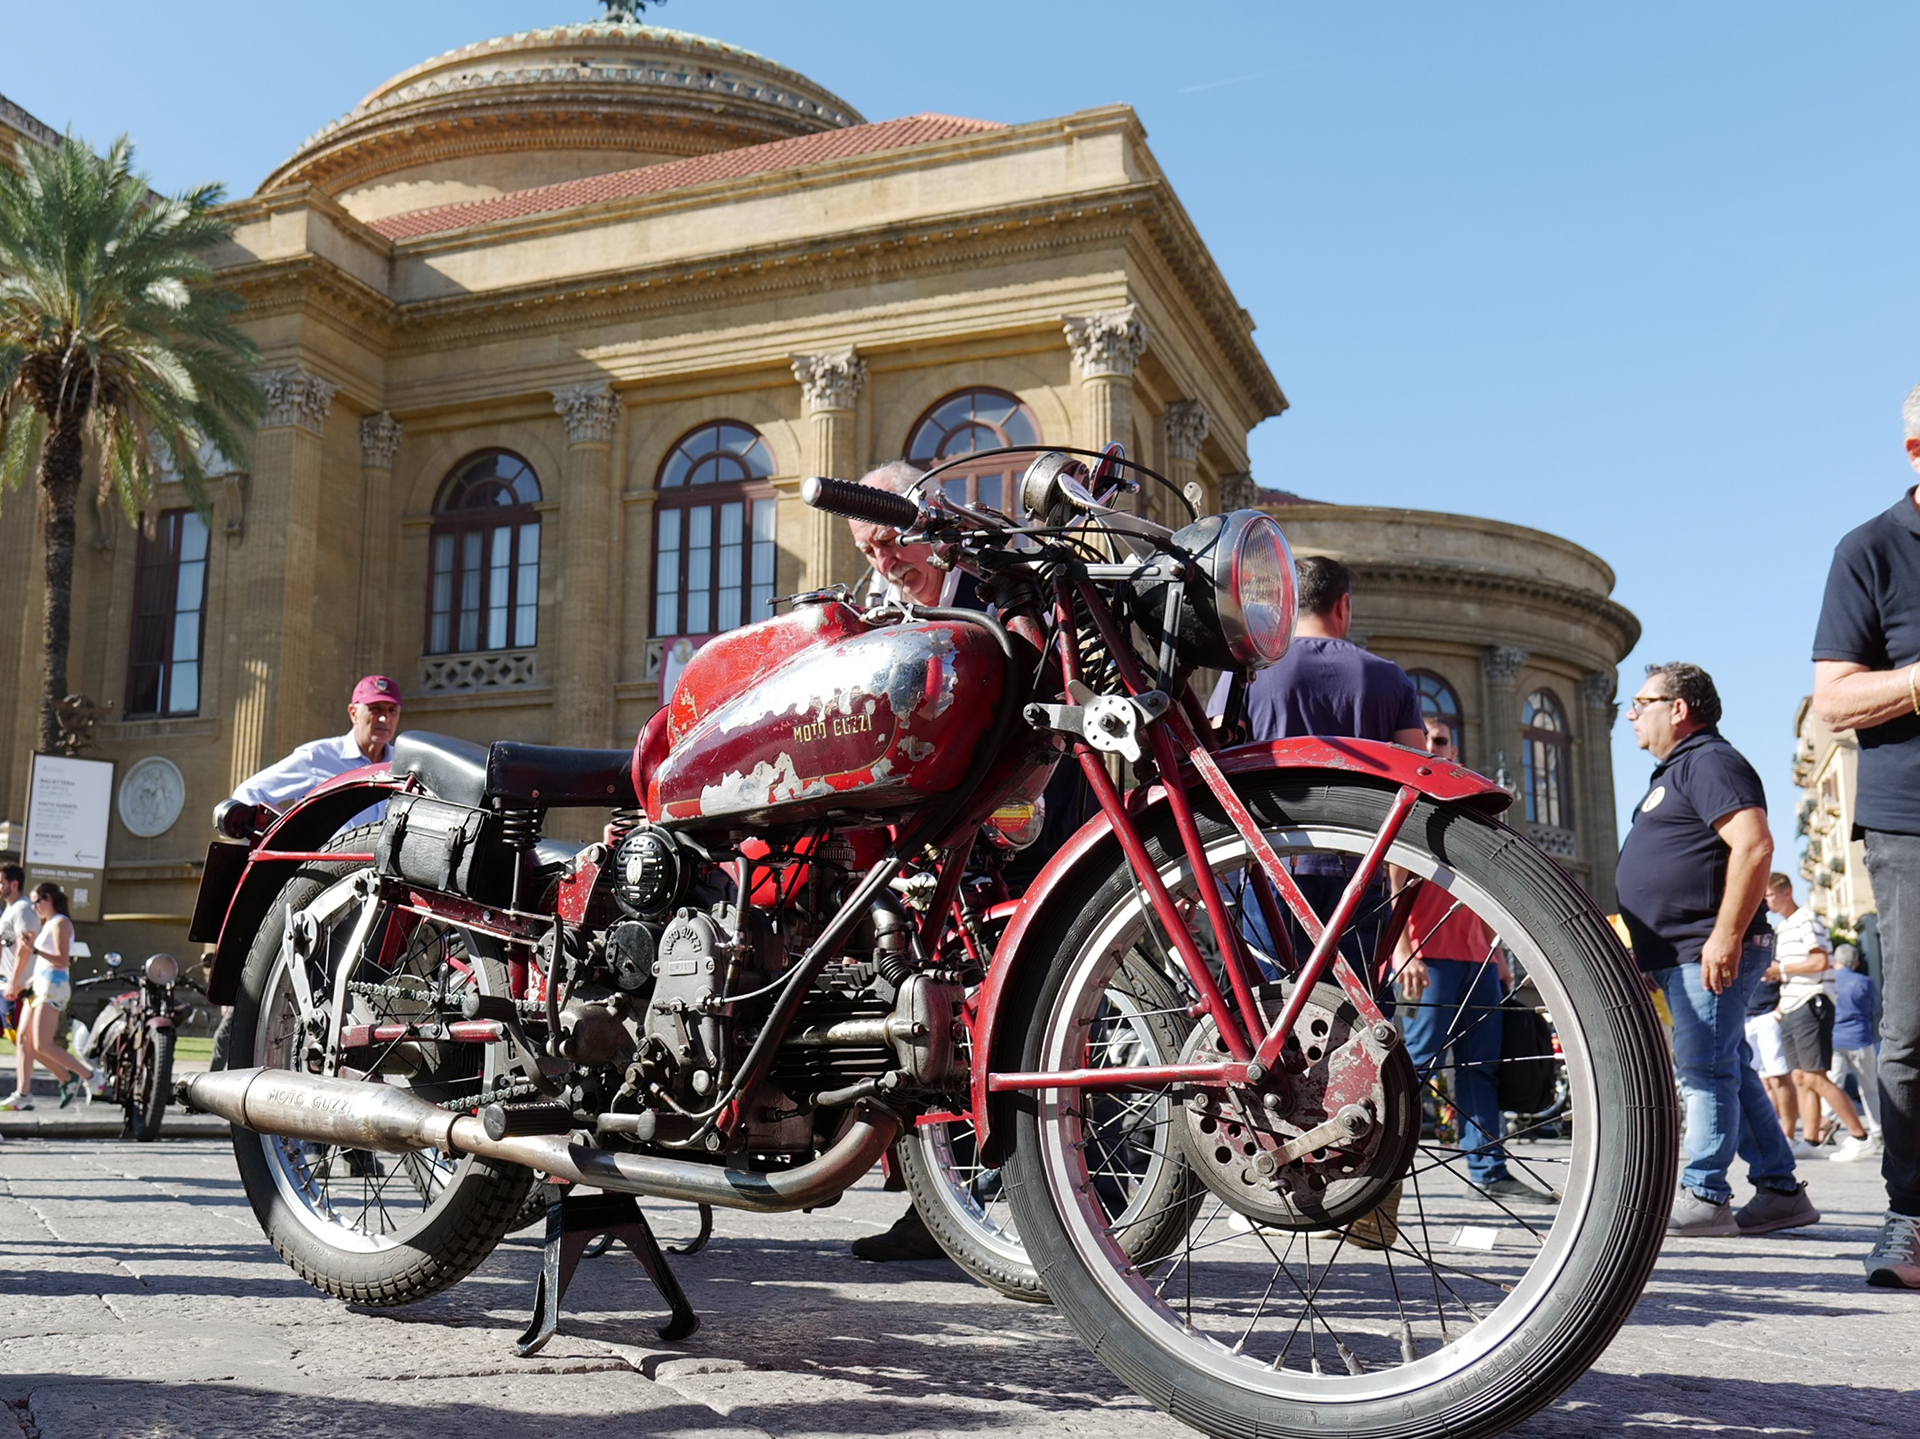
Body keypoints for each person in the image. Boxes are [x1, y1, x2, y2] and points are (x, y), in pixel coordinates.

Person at [1615, 663, 1814, 1237]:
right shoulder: (1678, 770)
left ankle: (1705, 1194)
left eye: (1641, 702)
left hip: (1707, 947)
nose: (1631, 715)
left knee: (1703, 1072)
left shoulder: (1709, 761)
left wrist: (1724, 935)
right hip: (1681, 950)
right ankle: (1780, 1190)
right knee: (1726, 1067)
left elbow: (1754, 846)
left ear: (1678, 708)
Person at [1811, 390, 1920, 1285]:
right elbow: (1837, 699)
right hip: (1911, 821)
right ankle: (1912, 1215)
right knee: (1914, 1031)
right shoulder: (1871, 549)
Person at [1392, 718, 1546, 1206]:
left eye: (1441, 741)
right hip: (1425, 957)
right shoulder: (1412, 798)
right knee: (1412, 1066)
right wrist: (1400, 950)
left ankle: (1490, 1168)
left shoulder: (1471, 803)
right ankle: (1380, 1171)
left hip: (1479, 961)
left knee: (1480, 1067)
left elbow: (1487, 893)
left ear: (1454, 748)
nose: (1435, 747)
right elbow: (1393, 878)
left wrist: (1498, 955)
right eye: (1428, 740)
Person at [1763, 873, 1874, 1161]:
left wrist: (1781, 970)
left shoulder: (1806, 918)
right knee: (1800, 1077)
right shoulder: (1785, 927)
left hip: (1811, 1003)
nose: (1766, 901)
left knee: (1814, 1076)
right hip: (1791, 1005)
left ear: (1786, 892)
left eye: (1770, 896)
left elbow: (1820, 960)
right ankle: (1811, 1141)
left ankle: (1860, 1135)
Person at [231, 674, 404, 812]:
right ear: (353, 713)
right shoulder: (317, 758)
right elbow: (247, 794)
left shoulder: (405, 766)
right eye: (375, 709)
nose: (384, 718)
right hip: (330, 857)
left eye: (392, 710)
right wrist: (283, 839)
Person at [0, 883, 96, 1110]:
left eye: (37, 901)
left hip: (53, 987)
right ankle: (24, 1093)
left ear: (49, 899)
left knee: (41, 1044)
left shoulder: (61, 922)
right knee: (23, 1040)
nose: (34, 907)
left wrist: (33, 948)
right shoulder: (48, 924)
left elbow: (62, 961)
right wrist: (22, 984)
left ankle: (88, 1076)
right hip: (39, 985)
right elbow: (43, 963)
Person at [1829, 945, 1885, 1156]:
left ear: (1836, 960)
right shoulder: (1864, 981)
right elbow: (1874, 1008)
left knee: (1833, 1085)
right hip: (1861, 1039)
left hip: (1834, 1039)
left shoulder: (1830, 979)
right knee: (1869, 1087)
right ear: (1857, 962)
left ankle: (1828, 1125)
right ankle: (1878, 1129)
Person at [0, 863, 32, 1032]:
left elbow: (24, 948)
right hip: (3, 982)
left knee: (20, 1037)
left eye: (1, 883)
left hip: (17, 988)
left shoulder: (23, 909)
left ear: (14, 884)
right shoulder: (9, 910)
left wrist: (13, 983)